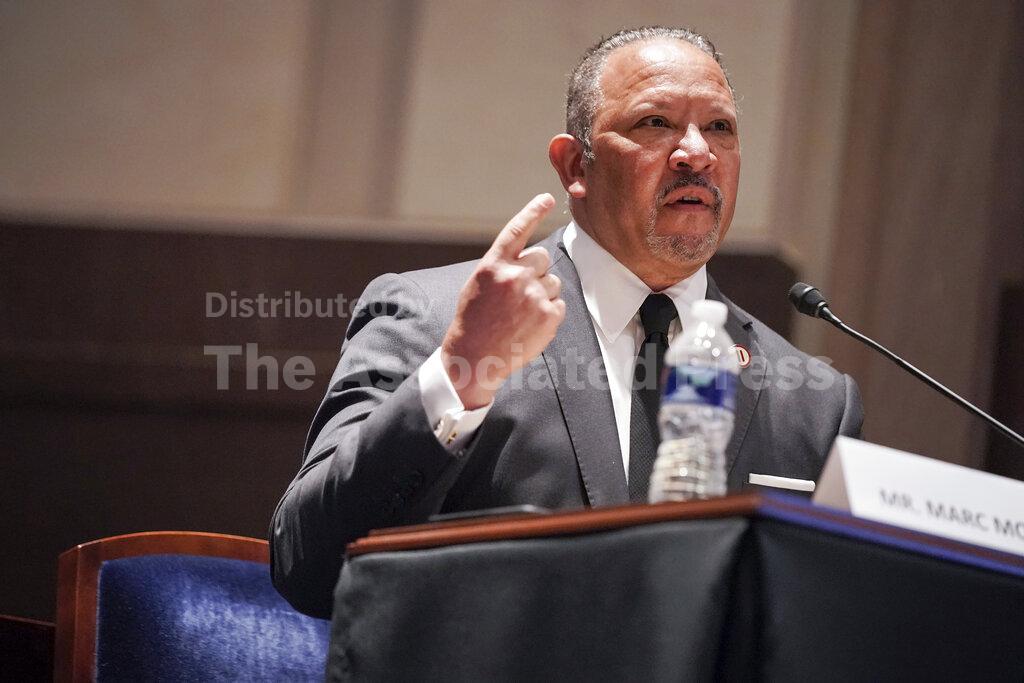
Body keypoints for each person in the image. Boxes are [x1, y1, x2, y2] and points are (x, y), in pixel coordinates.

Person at [271, 26, 863, 618]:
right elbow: (309, 563)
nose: (697, 152)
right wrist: (461, 371)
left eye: (720, 127)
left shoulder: (812, 403)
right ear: (576, 164)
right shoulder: (433, 315)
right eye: (654, 123)